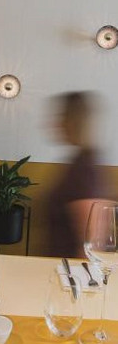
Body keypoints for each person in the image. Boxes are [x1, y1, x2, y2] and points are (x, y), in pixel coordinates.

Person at [46, 91, 108, 258]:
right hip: (60, 265)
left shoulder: (84, 170)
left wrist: (77, 274)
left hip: (68, 270)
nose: (57, 123)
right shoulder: (80, 162)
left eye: (63, 116)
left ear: (74, 121)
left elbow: (91, 244)